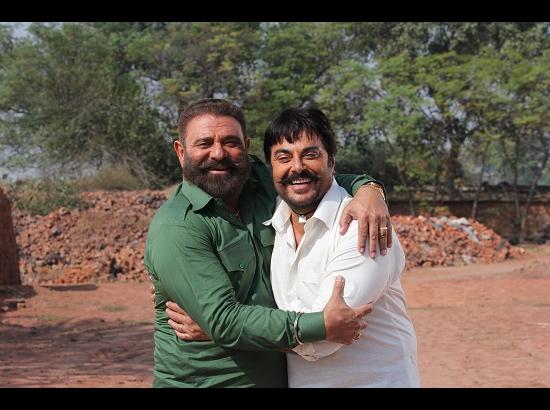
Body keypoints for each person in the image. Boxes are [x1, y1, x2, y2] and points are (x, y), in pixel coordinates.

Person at [145, 98, 392, 388]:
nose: (218, 153)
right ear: (180, 151)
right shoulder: (178, 227)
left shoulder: (259, 183)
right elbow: (223, 321)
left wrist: (369, 189)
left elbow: (313, 177)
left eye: (230, 142)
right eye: (204, 143)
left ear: (246, 147)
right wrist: (319, 325)